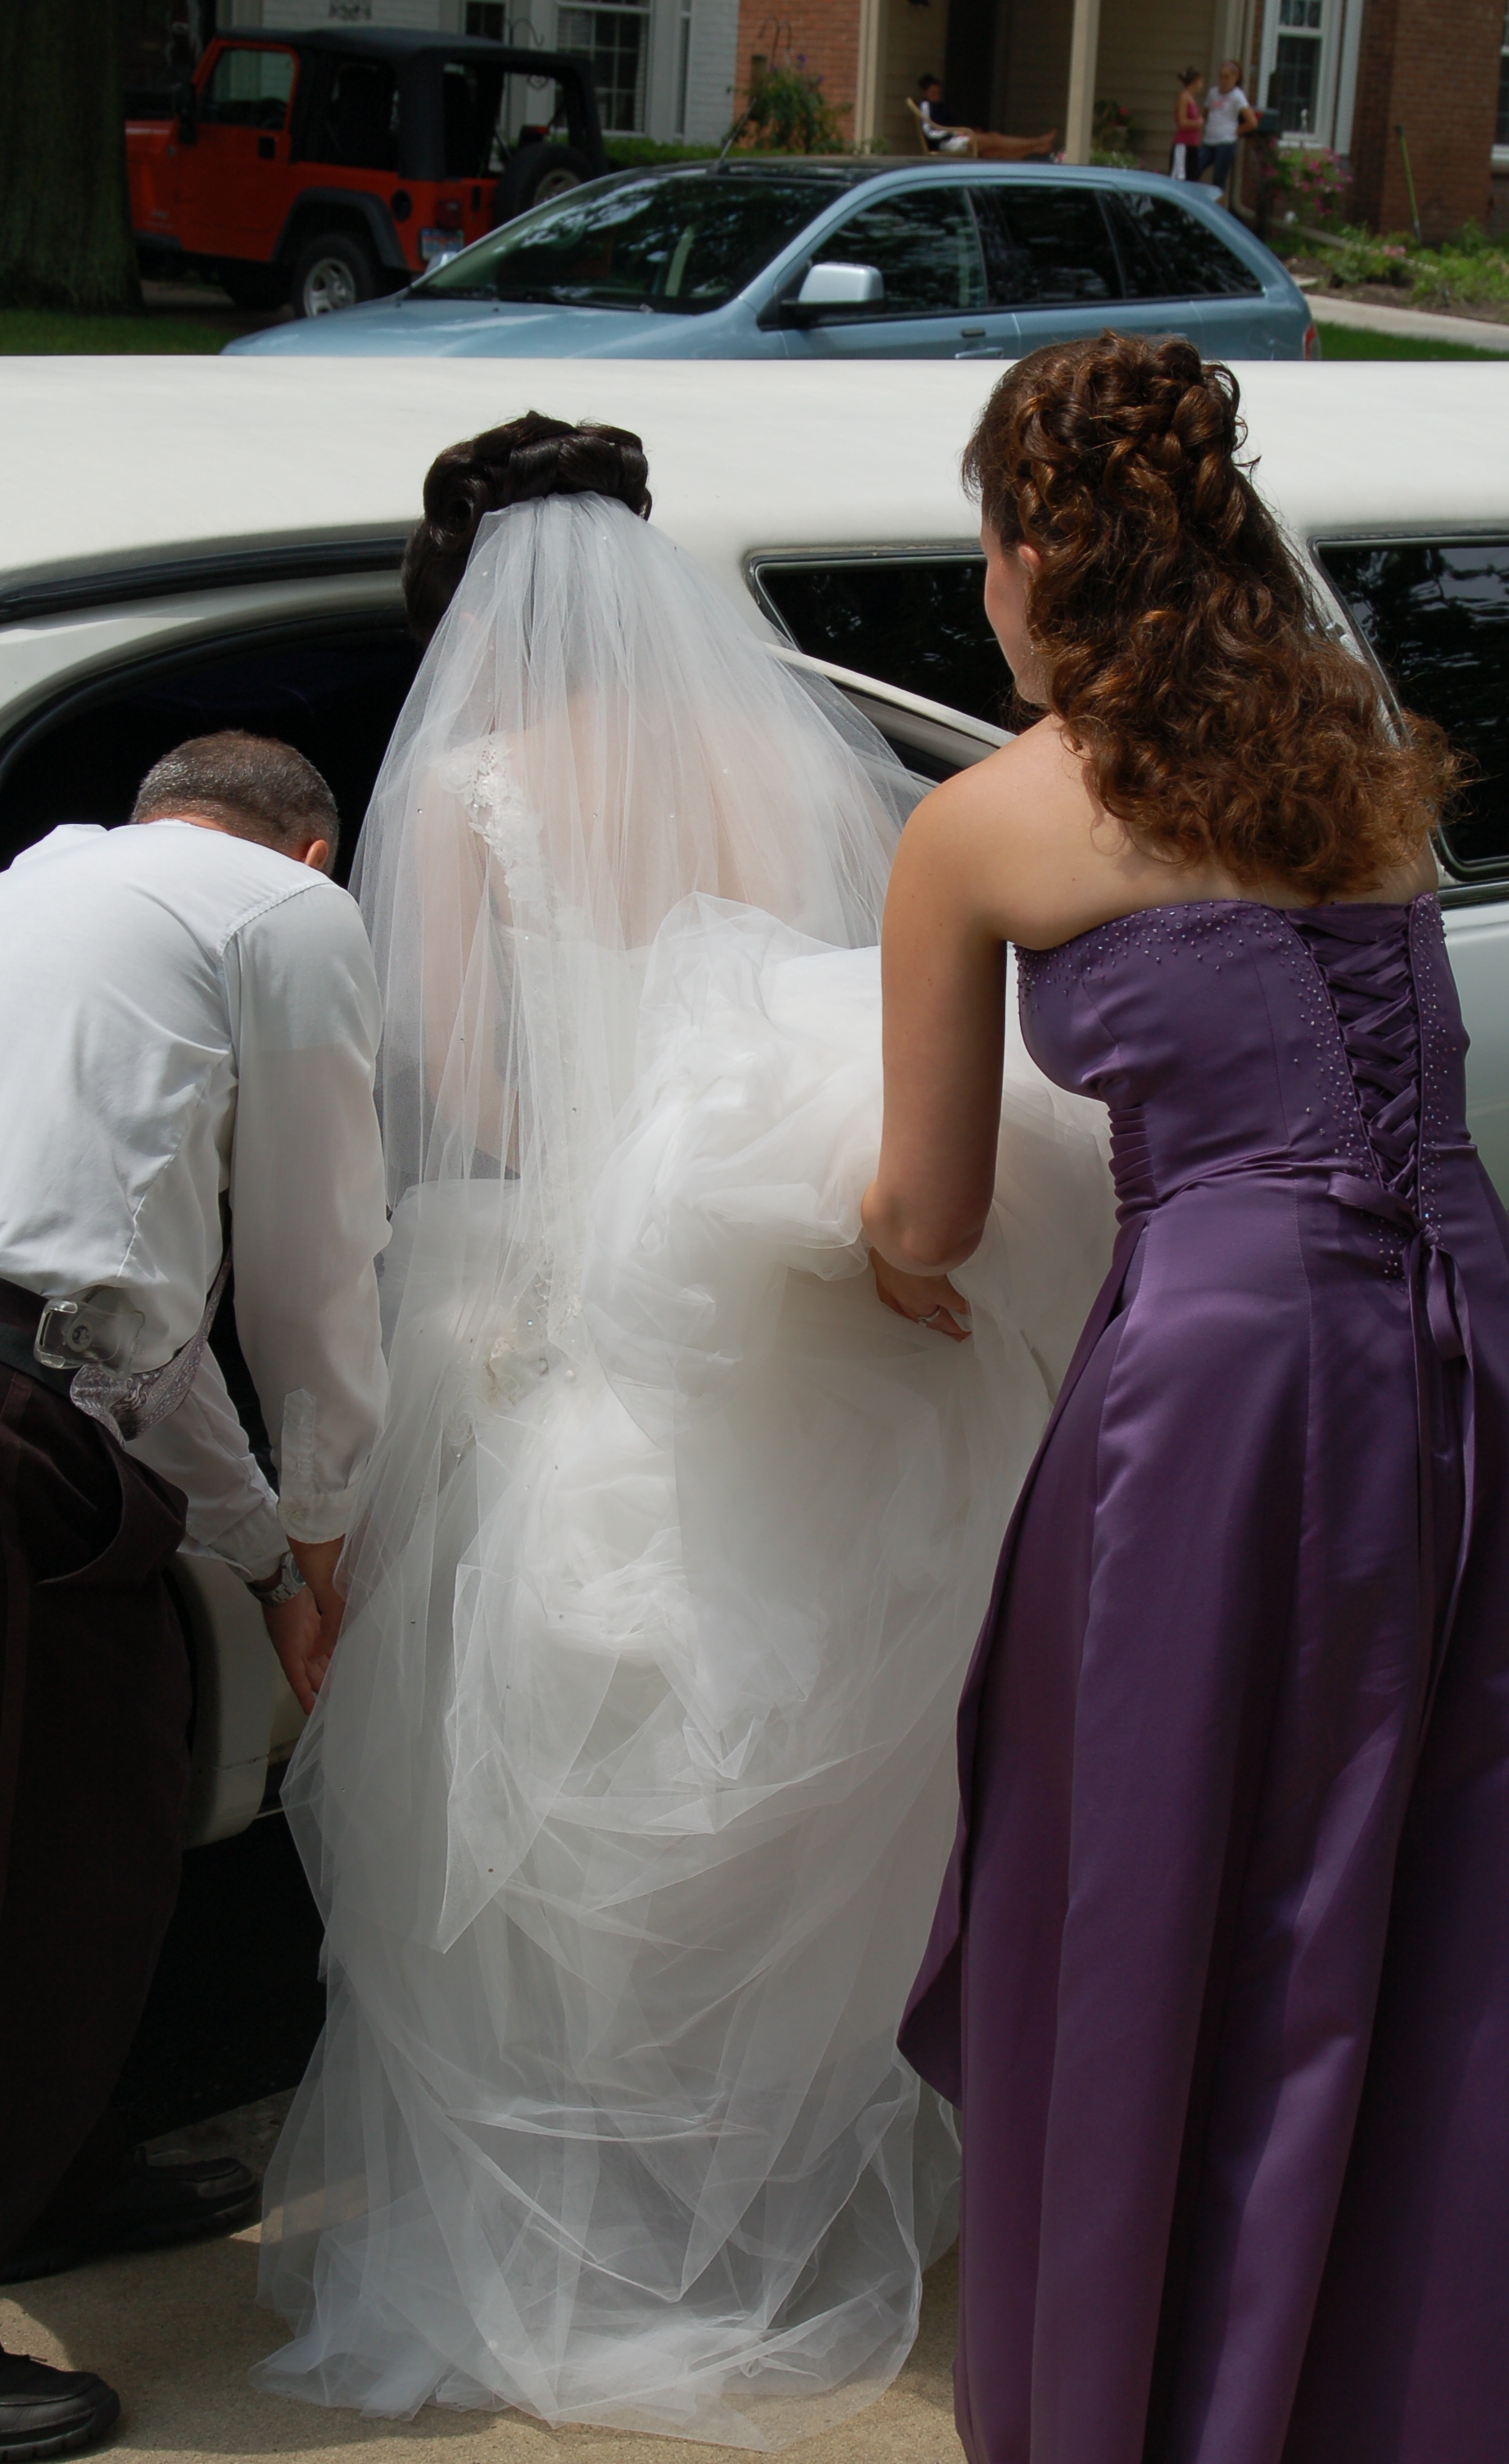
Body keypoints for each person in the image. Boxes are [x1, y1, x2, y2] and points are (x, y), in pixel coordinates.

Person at [251, 415, 1116, 2442]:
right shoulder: (792, 749)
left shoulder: (465, 785)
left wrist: (600, 1170)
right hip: (813, 1296)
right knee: (803, 1758)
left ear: (466, 597)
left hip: (594, 1296)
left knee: (554, 1780)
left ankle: (608, 2209)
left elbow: (467, 1076)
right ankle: (797, 2175)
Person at [881, 336, 1509, 2462]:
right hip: (1462, 1329)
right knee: (1398, 1849)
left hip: (1230, 1371)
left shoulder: (983, 823)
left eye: (984, 550)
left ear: (1038, 556)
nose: (979, 590)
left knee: (1139, 1854)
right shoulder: (1352, 745)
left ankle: (1139, 2399)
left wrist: (871, 1251)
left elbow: (930, 1207)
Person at [0, 733, 389, 2461]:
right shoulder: (281, 913)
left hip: (15, 1379)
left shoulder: (9, 901)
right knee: (19, 1868)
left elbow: (138, 1334)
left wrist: (268, 1551)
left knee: (77, 1815)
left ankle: (40, 2179)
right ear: (313, 848)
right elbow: (311, 1261)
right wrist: (335, 1523)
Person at [917, 74, 1058, 161]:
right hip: (946, 143)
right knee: (995, 139)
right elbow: (929, 132)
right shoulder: (925, 105)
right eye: (933, 93)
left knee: (995, 152)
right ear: (925, 92)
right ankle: (1038, 141)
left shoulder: (940, 106)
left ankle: (1035, 149)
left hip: (956, 138)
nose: (937, 96)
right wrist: (955, 133)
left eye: (939, 93)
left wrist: (968, 130)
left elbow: (952, 126)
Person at [1201, 57, 1257, 189]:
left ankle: (1218, 202)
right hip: (1208, 141)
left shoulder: (1237, 95)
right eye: (1221, 77)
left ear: (1235, 77)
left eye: (1226, 77)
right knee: (1194, 169)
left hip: (1225, 142)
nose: (1223, 81)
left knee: (1218, 180)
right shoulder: (1213, 93)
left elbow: (1252, 122)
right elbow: (1205, 114)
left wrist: (1235, 131)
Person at [1171, 66, 1204, 179]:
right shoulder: (1183, 97)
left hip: (1192, 145)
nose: (1201, 86)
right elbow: (1182, 122)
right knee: (1181, 178)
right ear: (1196, 81)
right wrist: (1198, 123)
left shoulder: (1191, 99)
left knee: (1192, 178)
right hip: (1183, 145)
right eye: (1201, 82)